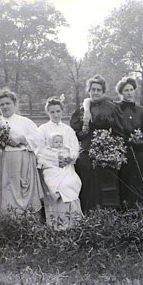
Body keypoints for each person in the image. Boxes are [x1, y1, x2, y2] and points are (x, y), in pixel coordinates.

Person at [70, 75, 124, 212]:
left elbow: (119, 130)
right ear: (89, 90)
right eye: (93, 89)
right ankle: (89, 212)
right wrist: (82, 131)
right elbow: (74, 133)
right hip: (87, 149)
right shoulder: (82, 110)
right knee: (88, 181)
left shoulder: (112, 108)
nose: (95, 92)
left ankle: (108, 214)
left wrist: (112, 147)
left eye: (98, 90)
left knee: (106, 182)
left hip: (106, 150)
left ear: (103, 91)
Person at [0, 88, 44, 214]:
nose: (5, 107)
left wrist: (22, 139)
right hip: (2, 164)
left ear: (14, 104)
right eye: (2, 104)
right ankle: (7, 221)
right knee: (5, 192)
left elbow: (38, 139)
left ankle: (26, 221)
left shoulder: (25, 122)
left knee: (21, 190)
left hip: (22, 163)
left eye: (8, 103)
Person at [37, 98, 83, 229]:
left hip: (67, 166)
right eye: (52, 112)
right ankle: (57, 225)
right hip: (50, 167)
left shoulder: (68, 130)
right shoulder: (42, 129)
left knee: (72, 182)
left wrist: (70, 158)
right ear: (48, 113)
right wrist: (55, 160)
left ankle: (74, 224)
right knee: (60, 186)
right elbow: (39, 151)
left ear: (62, 111)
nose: (56, 115)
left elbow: (75, 148)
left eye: (58, 111)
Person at [115, 76, 143, 209]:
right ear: (121, 92)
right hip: (123, 151)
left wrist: (141, 138)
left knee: (142, 174)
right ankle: (127, 208)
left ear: (134, 91)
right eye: (126, 90)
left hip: (139, 150)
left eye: (131, 90)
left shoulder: (142, 111)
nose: (129, 93)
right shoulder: (116, 109)